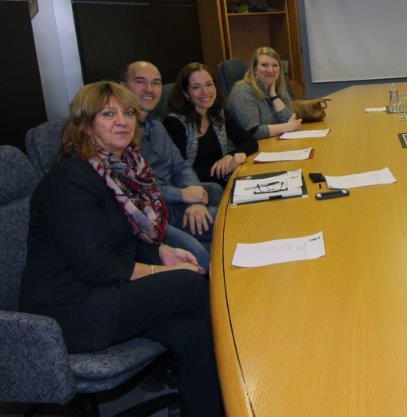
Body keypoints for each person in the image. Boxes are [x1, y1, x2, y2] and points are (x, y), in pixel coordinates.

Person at [18, 81, 225, 417]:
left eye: (128, 112)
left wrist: (162, 253)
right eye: (108, 113)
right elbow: (98, 265)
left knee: (194, 334)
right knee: (190, 284)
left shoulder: (122, 172)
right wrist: (166, 271)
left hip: (106, 292)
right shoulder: (69, 181)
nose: (122, 120)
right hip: (69, 309)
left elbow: (122, 242)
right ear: (85, 126)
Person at [122, 61, 215, 267]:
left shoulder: (156, 126)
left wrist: (195, 197)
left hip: (174, 206)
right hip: (151, 217)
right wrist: (182, 194)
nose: (149, 89)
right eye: (140, 82)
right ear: (123, 86)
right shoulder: (120, 134)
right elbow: (133, 190)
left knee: (227, 214)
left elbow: (180, 166)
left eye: (155, 83)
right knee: (202, 251)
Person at [165, 62, 257, 187]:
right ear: (186, 93)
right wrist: (223, 169)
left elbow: (250, 142)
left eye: (209, 84)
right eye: (196, 87)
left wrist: (229, 157)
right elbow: (179, 171)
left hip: (224, 182)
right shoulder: (175, 123)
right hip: (197, 189)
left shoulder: (217, 112)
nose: (205, 92)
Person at [226, 46, 302, 140]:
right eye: (264, 65)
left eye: (275, 65)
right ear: (254, 69)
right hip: (246, 151)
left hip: (273, 143)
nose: (270, 70)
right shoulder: (242, 91)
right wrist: (287, 127)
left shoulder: (279, 89)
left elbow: (290, 120)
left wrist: (274, 96)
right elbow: (253, 131)